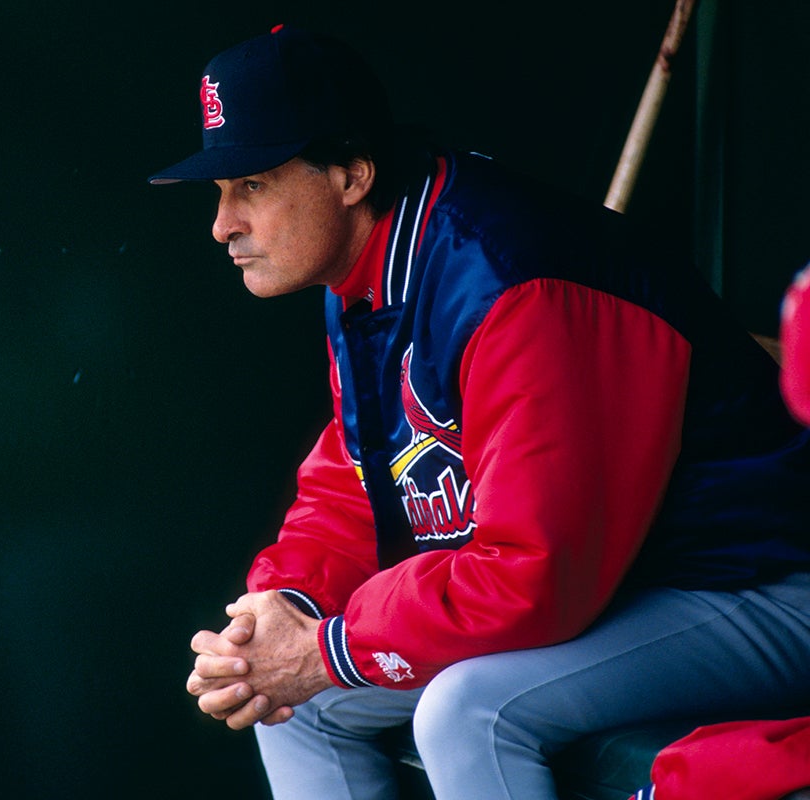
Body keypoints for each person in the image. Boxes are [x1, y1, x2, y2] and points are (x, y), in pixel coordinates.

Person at [150, 24, 810, 800]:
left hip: (757, 585)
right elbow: (359, 485)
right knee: (295, 706)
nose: (223, 224)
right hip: (629, 587)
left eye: (252, 186)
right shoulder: (369, 271)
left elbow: (535, 575)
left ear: (352, 174)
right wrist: (283, 614)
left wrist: (329, 647)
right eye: (222, 192)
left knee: (468, 712)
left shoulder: (508, 276)